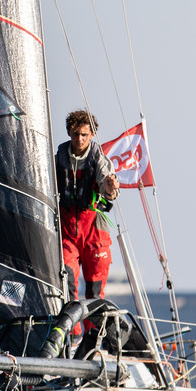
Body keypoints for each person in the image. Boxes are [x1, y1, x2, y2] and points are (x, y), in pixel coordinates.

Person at [55, 109, 119, 301]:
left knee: (95, 290)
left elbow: (108, 190)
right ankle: (71, 321)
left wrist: (110, 188)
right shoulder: (58, 157)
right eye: (76, 134)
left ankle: (94, 322)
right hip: (66, 229)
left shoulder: (99, 159)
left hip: (94, 228)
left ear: (92, 134)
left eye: (84, 134)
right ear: (69, 132)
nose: (80, 139)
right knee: (67, 281)